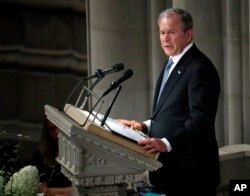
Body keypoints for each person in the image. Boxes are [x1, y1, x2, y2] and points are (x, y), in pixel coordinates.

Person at [119, 8, 220, 196]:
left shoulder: (199, 68)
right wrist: (145, 126)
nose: (165, 39)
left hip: (191, 176)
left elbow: (200, 120)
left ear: (188, 34)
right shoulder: (172, 61)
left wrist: (166, 143)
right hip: (168, 173)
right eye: (162, 32)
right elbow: (173, 112)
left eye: (172, 32)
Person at [31, 116, 72, 195]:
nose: (57, 132)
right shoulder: (42, 154)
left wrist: (48, 191)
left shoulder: (77, 154)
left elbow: (79, 190)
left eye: (59, 127)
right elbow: (37, 186)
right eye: (52, 129)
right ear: (47, 132)